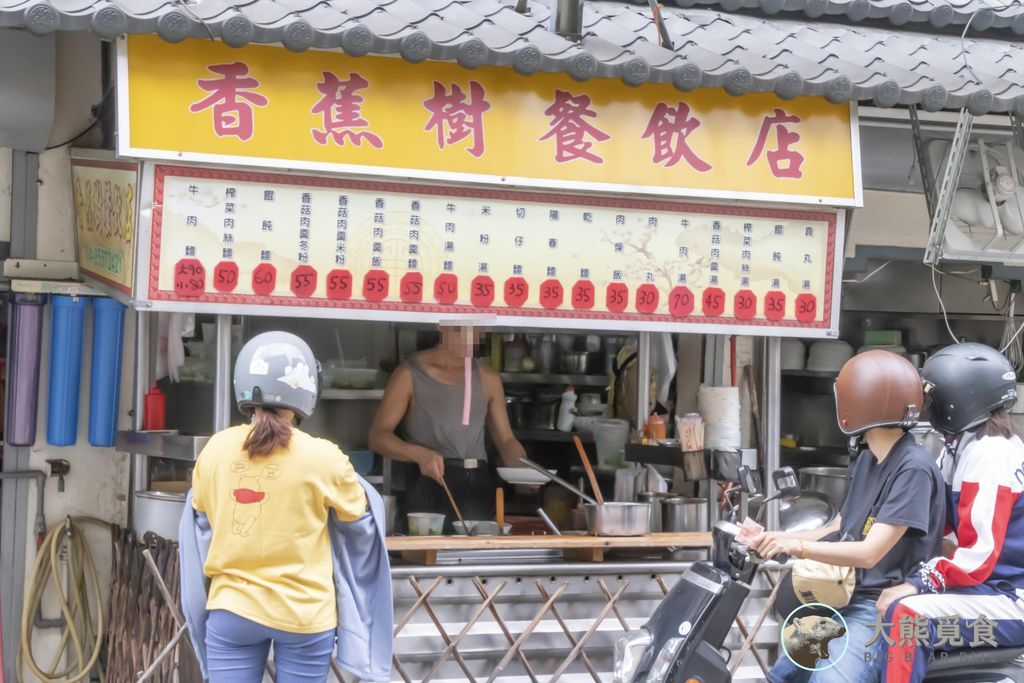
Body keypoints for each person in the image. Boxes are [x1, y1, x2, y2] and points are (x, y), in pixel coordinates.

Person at [182, 331, 388, 682]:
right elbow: (359, 521)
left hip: (232, 609)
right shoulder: (325, 457)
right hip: (306, 615)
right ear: (307, 390)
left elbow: (201, 520)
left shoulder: (214, 450)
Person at [755, 350, 945, 683]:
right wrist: (775, 538)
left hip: (876, 608)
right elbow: (841, 527)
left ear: (854, 404)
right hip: (842, 598)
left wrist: (799, 546)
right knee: (782, 677)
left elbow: (869, 553)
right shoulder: (868, 459)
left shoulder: (913, 469)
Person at [876, 343, 1024, 683]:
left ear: (958, 399)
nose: (928, 406)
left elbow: (979, 556)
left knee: (906, 615)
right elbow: (932, 521)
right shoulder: (962, 447)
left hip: (1010, 597)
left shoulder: (992, 455)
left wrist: (919, 582)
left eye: (933, 398)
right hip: (991, 588)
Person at [369, 324, 526, 525]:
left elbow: (505, 439)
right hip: (428, 481)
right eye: (460, 330)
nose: (470, 338)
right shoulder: (408, 374)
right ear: (441, 327)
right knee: (427, 553)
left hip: (477, 483)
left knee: (474, 553)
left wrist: (524, 470)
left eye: (477, 330)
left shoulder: (488, 377)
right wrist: (419, 454)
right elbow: (378, 436)